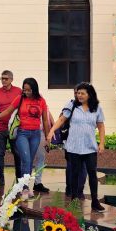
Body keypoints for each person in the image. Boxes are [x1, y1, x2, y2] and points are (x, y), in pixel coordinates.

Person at [46, 82, 106, 212]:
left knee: (92, 174)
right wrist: (51, 131)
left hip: (90, 147)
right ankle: (74, 200)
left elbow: (100, 126)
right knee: (74, 173)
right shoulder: (72, 105)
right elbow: (62, 120)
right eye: (78, 93)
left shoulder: (96, 108)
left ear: (89, 94)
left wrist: (101, 143)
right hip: (74, 147)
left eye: (82, 93)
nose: (79, 95)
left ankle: (95, 202)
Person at [0, 77, 50, 198]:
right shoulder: (20, 98)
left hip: (36, 134)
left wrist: (48, 138)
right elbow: (8, 111)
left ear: (34, 89)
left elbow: (45, 119)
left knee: (30, 161)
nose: (26, 92)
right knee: (26, 160)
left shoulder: (41, 101)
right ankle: (25, 188)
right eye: (24, 90)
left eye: (29, 90)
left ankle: (26, 186)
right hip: (22, 133)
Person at [0, 70, 22, 195]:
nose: (3, 80)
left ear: (11, 79)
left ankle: (19, 178)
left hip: (15, 128)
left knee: (17, 153)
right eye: (2, 78)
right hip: (0, 128)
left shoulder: (19, 91)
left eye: (6, 78)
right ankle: (0, 179)